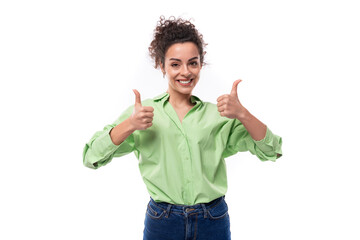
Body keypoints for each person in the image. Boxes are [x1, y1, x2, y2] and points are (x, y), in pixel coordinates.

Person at [82, 15, 282, 240]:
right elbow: (91, 157)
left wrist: (243, 114)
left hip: (213, 219)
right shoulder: (143, 113)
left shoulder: (219, 115)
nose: (185, 72)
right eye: (175, 64)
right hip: (162, 221)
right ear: (161, 66)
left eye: (193, 63)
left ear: (200, 64)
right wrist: (129, 125)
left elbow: (271, 150)